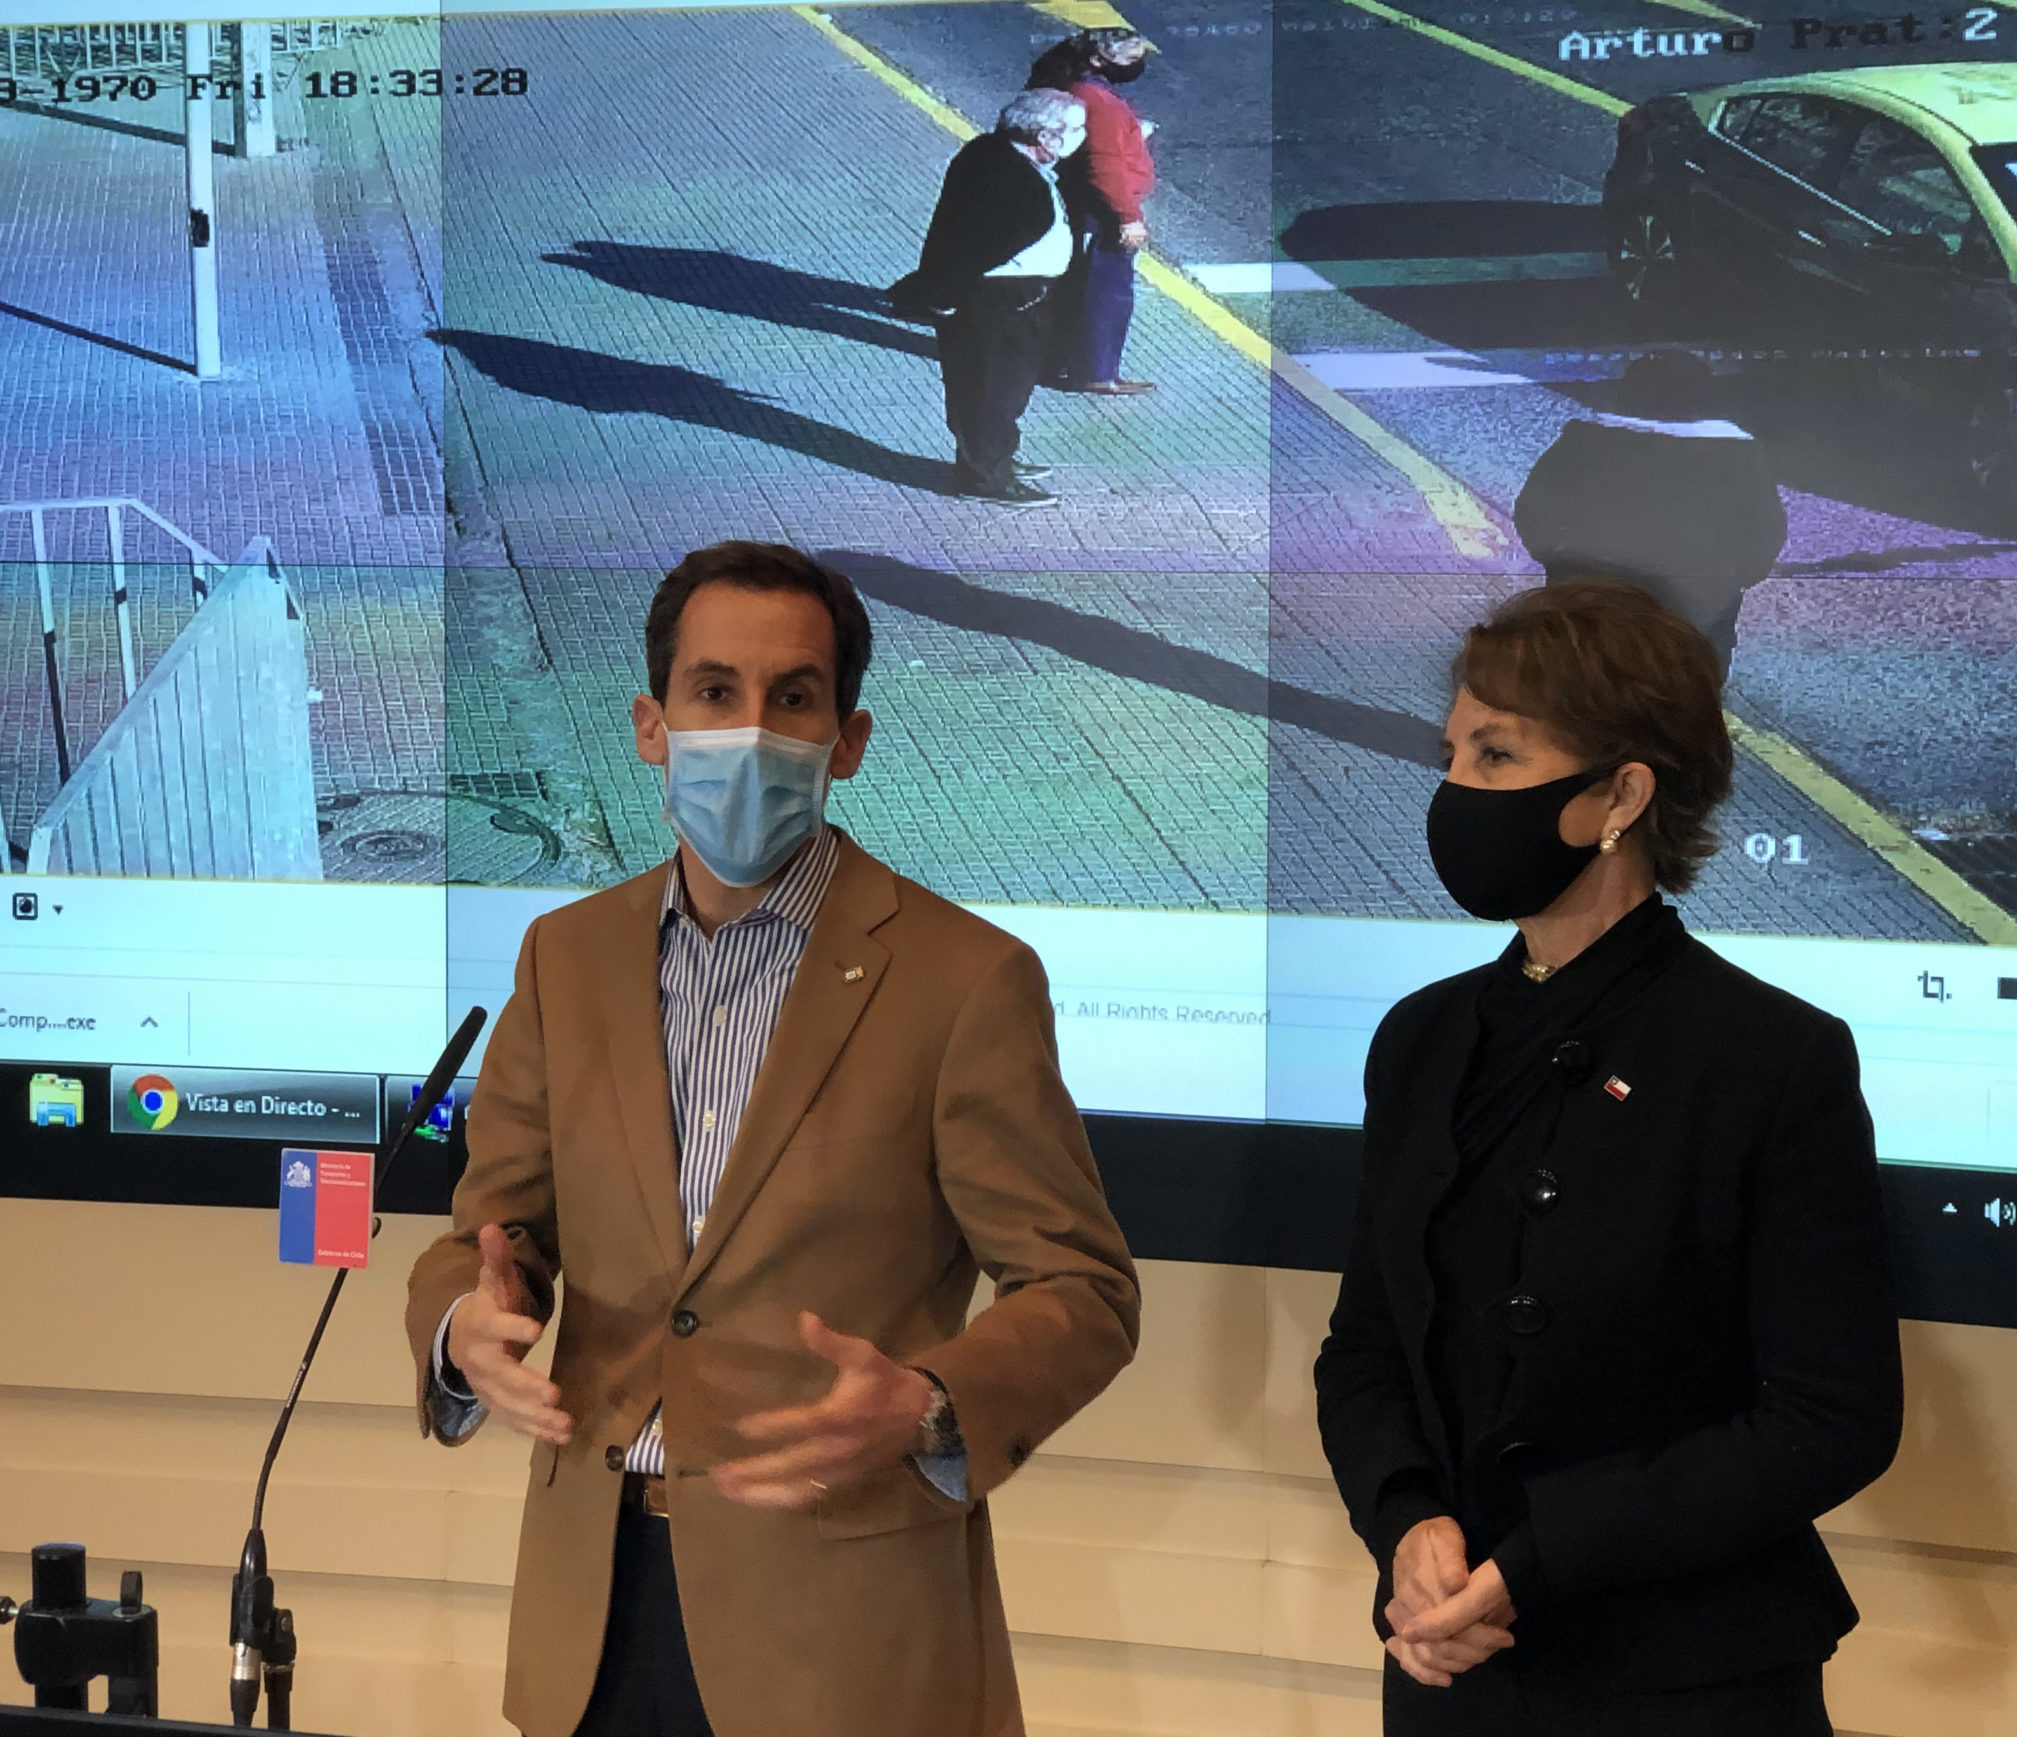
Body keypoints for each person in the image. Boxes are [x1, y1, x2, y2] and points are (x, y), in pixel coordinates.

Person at [405, 541, 1142, 1737]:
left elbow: (1084, 1289)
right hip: (592, 1613)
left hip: (840, 1638)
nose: (750, 730)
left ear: (846, 741)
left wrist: (931, 1402)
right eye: (714, 692)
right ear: (651, 726)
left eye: (792, 697)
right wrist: (461, 1326)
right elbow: (493, 1234)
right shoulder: (564, 959)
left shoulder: (965, 981)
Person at [1313, 580, 1902, 1737]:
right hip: (1451, 1665)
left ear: (1621, 795)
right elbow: (1366, 1348)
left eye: (1495, 756)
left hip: (1686, 1680)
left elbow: (1830, 1417)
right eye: (1452, 754)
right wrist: (1407, 1524)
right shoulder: (1421, 1040)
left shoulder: (1770, 1055)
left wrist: (1542, 1558)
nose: (1454, 790)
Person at [1511, 350, 1789, 671]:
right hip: (1701, 608)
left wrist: (1562, 563)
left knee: (1587, 685)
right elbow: (1764, 530)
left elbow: (1533, 511)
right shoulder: (1739, 456)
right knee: (1687, 687)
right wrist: (1730, 579)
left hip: (1588, 605)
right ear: (1703, 396)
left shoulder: (1582, 443)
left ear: (1627, 392)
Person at [890, 90, 1088, 505]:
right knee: (990, 390)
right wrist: (941, 295)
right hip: (999, 302)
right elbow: (970, 246)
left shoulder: (996, 153)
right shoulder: (1008, 179)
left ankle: (995, 457)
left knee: (1006, 387)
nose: (1081, 136)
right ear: (1044, 136)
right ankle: (985, 477)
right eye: (1074, 129)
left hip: (1016, 299)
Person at [1026, 27, 1160, 396]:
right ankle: (1096, 371)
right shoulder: (1099, 102)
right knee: (1106, 293)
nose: (1138, 65)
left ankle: (1059, 361)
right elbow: (1104, 166)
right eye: (1131, 59)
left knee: (1078, 285)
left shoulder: (1073, 88)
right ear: (1100, 60)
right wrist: (1127, 217)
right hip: (1103, 212)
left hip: (1081, 204)